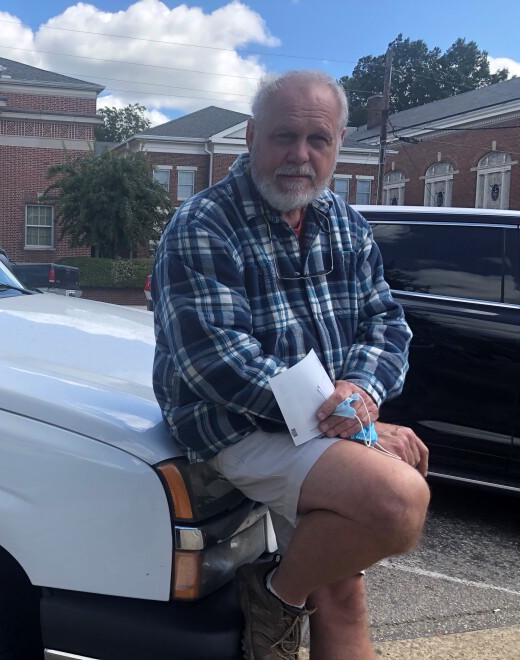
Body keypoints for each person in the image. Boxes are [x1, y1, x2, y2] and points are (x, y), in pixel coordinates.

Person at [151, 70, 430, 660]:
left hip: (319, 426)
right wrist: (356, 426)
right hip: (231, 425)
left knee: (344, 595)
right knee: (398, 503)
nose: (299, 157)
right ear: (252, 136)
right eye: (283, 136)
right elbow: (217, 363)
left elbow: (385, 324)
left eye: (318, 140)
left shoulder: (345, 224)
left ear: (338, 146)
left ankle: (277, 594)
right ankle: (277, 592)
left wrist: (362, 392)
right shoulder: (203, 224)